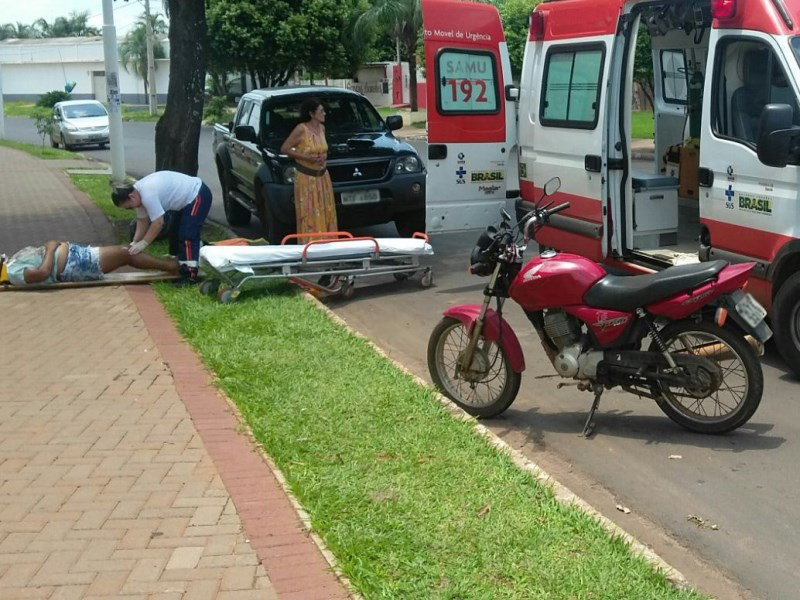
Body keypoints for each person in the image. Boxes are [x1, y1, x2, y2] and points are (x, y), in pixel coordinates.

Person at [111, 170, 213, 284]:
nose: (129, 210)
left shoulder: (147, 194)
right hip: (185, 202)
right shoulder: (137, 195)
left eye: (128, 207)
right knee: (174, 233)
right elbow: (142, 221)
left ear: (131, 197)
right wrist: (135, 242)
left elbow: (158, 223)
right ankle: (178, 262)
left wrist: (144, 243)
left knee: (187, 234)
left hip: (197, 195)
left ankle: (189, 274)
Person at [280, 97, 338, 239]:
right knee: (310, 212)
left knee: (325, 210)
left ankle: (327, 243)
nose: (324, 114)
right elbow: (285, 148)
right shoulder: (301, 129)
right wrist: (305, 157)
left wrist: (323, 156)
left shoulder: (322, 128)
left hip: (322, 178)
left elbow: (322, 148)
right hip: (307, 179)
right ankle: (311, 244)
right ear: (312, 114)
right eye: (321, 111)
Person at [1, 241, 178, 286]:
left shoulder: (9, 266)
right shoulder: (13, 273)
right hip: (75, 263)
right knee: (125, 253)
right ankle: (170, 266)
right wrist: (51, 247)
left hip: (75, 257)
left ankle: (168, 264)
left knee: (124, 252)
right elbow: (41, 273)